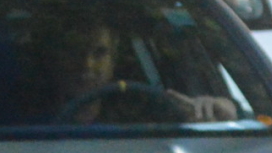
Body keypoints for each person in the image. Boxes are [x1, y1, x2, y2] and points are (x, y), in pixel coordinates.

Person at [37, 19, 234, 124]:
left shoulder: (141, 115)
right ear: (54, 57)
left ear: (113, 60)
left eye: (99, 53)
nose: (86, 65)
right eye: (74, 52)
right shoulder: (22, 117)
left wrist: (217, 110)